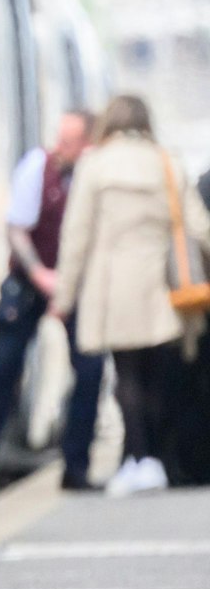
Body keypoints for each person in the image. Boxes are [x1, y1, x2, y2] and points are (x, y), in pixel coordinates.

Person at [51, 95, 210, 495]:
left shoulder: (95, 165)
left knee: (126, 376)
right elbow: (198, 226)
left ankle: (139, 460)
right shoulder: (167, 163)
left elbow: (76, 236)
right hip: (159, 287)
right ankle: (152, 459)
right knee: (154, 376)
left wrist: (64, 296)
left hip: (111, 288)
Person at [0, 111, 104, 490]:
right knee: (5, 366)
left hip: (77, 284)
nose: (61, 146)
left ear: (88, 143)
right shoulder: (37, 166)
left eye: (70, 141)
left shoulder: (96, 174)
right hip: (30, 281)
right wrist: (40, 273)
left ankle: (76, 465)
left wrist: (69, 285)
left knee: (90, 369)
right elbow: (18, 227)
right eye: (61, 138)